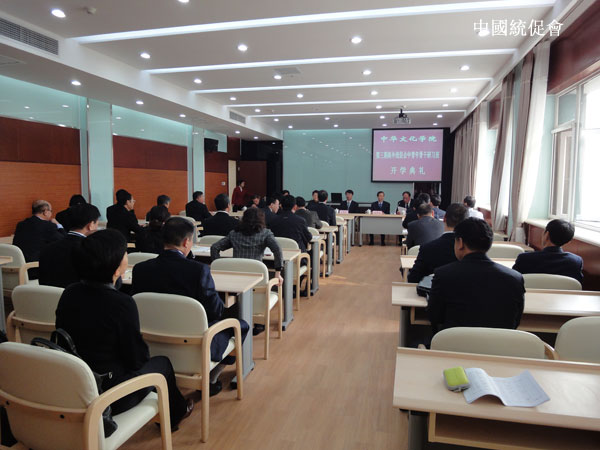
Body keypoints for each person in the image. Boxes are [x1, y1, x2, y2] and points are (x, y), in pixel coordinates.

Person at [55, 230, 192, 430]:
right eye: (125, 253)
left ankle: (174, 412)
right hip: (110, 396)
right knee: (162, 364)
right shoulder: (121, 303)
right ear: (116, 267)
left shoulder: (69, 293)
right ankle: (175, 415)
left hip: (75, 386)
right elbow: (137, 360)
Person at [132, 217, 248, 391]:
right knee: (241, 325)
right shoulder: (199, 270)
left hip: (151, 342)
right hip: (195, 345)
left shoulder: (140, 269)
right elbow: (216, 311)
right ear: (187, 242)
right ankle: (211, 377)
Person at [427, 218, 524, 332]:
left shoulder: (443, 274)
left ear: (460, 243)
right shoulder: (515, 278)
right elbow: (515, 321)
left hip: (455, 342)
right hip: (499, 343)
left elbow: (434, 316)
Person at [210, 208, 284, 286]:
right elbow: (277, 249)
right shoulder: (265, 234)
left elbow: (215, 247)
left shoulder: (234, 234)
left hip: (236, 280)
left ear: (243, 219)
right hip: (258, 279)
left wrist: (219, 268)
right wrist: (278, 272)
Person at [39, 203, 100, 288]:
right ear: (91, 225)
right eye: (97, 223)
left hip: (49, 295)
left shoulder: (47, 248)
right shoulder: (92, 250)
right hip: (79, 295)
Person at [407, 203, 468, 283]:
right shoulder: (473, 249)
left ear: (444, 218)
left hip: (435, 289)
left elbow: (413, 279)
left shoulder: (427, 249)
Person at [512, 219, 584, 284]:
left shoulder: (524, 258)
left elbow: (513, 281)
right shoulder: (575, 262)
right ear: (568, 242)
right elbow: (576, 285)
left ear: (546, 234)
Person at [13, 200, 66, 269]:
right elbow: (64, 240)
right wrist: (59, 225)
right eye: (51, 211)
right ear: (45, 212)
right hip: (37, 267)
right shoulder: (48, 226)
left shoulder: (21, 224)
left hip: (19, 265)